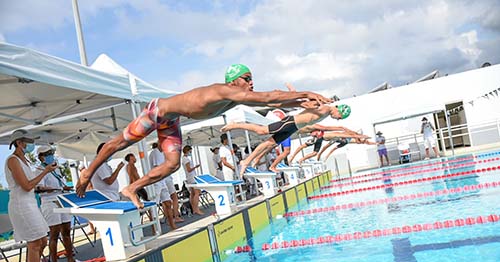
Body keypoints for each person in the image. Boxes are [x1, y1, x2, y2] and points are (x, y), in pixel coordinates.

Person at [76, 64, 331, 208]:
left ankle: (132, 188)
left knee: (172, 164)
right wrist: (305, 93)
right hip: (157, 111)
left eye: (253, 78)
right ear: (234, 81)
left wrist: (302, 102)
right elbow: (266, 97)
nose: (252, 83)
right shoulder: (224, 91)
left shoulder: (234, 98)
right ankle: (88, 172)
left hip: (171, 120)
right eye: (247, 78)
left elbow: (270, 99)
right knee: (121, 142)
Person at [222, 107, 353, 177]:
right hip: (290, 122)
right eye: (339, 117)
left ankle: (246, 161)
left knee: (269, 143)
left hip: (293, 128)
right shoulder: (325, 109)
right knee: (262, 131)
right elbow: (308, 106)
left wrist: (341, 128)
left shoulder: (326, 112)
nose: (337, 119)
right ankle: (235, 125)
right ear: (338, 110)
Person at [5, 129, 58, 262]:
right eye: (29, 142)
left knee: (42, 241)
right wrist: (46, 172)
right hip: (21, 206)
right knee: (35, 244)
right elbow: (27, 186)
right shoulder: (13, 160)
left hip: (30, 204)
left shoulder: (26, 161)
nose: (32, 145)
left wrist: (43, 183)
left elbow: (31, 186)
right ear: (20, 143)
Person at [36, 146, 82, 262]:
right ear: (41, 157)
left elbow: (59, 185)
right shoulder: (39, 171)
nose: (51, 155)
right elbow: (38, 188)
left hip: (61, 200)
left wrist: (64, 188)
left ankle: (71, 260)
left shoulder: (55, 169)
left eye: (52, 153)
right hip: (49, 203)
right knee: (54, 235)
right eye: (47, 154)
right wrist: (52, 189)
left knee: (66, 231)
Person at [149, 143, 177, 230]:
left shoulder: (162, 154)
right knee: (154, 206)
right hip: (156, 182)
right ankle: (155, 229)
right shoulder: (155, 152)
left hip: (162, 181)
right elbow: (157, 167)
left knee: (168, 203)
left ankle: (172, 225)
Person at [124, 153, 153, 221]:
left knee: (144, 202)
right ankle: (150, 219)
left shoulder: (132, 166)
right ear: (131, 158)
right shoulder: (130, 166)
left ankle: (148, 218)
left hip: (138, 186)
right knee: (147, 203)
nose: (135, 158)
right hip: (137, 187)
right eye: (133, 157)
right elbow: (131, 177)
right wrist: (131, 188)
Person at [181, 145, 204, 215]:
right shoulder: (186, 159)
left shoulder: (184, 158)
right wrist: (195, 167)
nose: (191, 152)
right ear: (187, 151)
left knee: (192, 193)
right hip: (192, 177)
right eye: (190, 151)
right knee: (197, 193)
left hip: (189, 177)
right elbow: (189, 169)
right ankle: (196, 209)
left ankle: (194, 209)